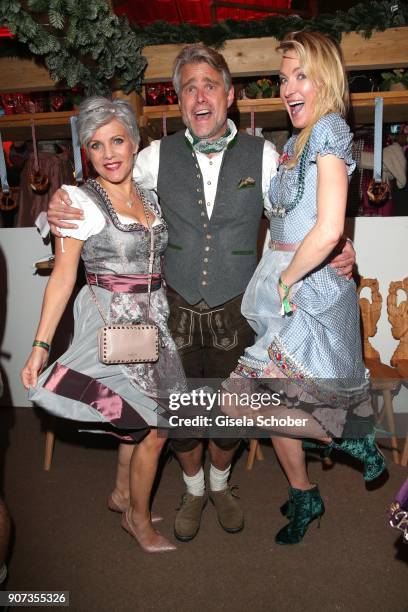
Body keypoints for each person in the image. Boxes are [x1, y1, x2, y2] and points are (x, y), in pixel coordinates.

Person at [46, 44, 356, 543]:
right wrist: (64, 199)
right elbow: (110, 188)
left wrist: (342, 247)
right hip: (175, 312)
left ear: (230, 95)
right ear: (179, 100)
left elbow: (303, 212)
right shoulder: (151, 156)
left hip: (240, 311)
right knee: (182, 419)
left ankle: (220, 484)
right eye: (189, 87)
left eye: (210, 84)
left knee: (232, 417)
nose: (199, 96)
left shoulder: (268, 153)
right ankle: (193, 489)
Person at [225, 31, 385, 545]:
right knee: (270, 403)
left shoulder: (330, 130)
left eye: (301, 76)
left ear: (327, 80)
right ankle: (304, 494)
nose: (288, 87)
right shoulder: (294, 141)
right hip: (286, 284)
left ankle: (348, 437)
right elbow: (297, 219)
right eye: (283, 77)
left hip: (308, 293)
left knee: (240, 400)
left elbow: (329, 226)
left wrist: (287, 280)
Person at [21, 96, 187, 553]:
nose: (109, 153)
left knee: (138, 420)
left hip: (154, 323)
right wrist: (40, 344)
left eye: (117, 140)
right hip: (111, 327)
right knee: (157, 426)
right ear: (86, 153)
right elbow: (62, 274)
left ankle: (120, 494)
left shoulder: (149, 194)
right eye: (96, 145)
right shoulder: (76, 199)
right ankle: (137, 520)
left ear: (135, 142)